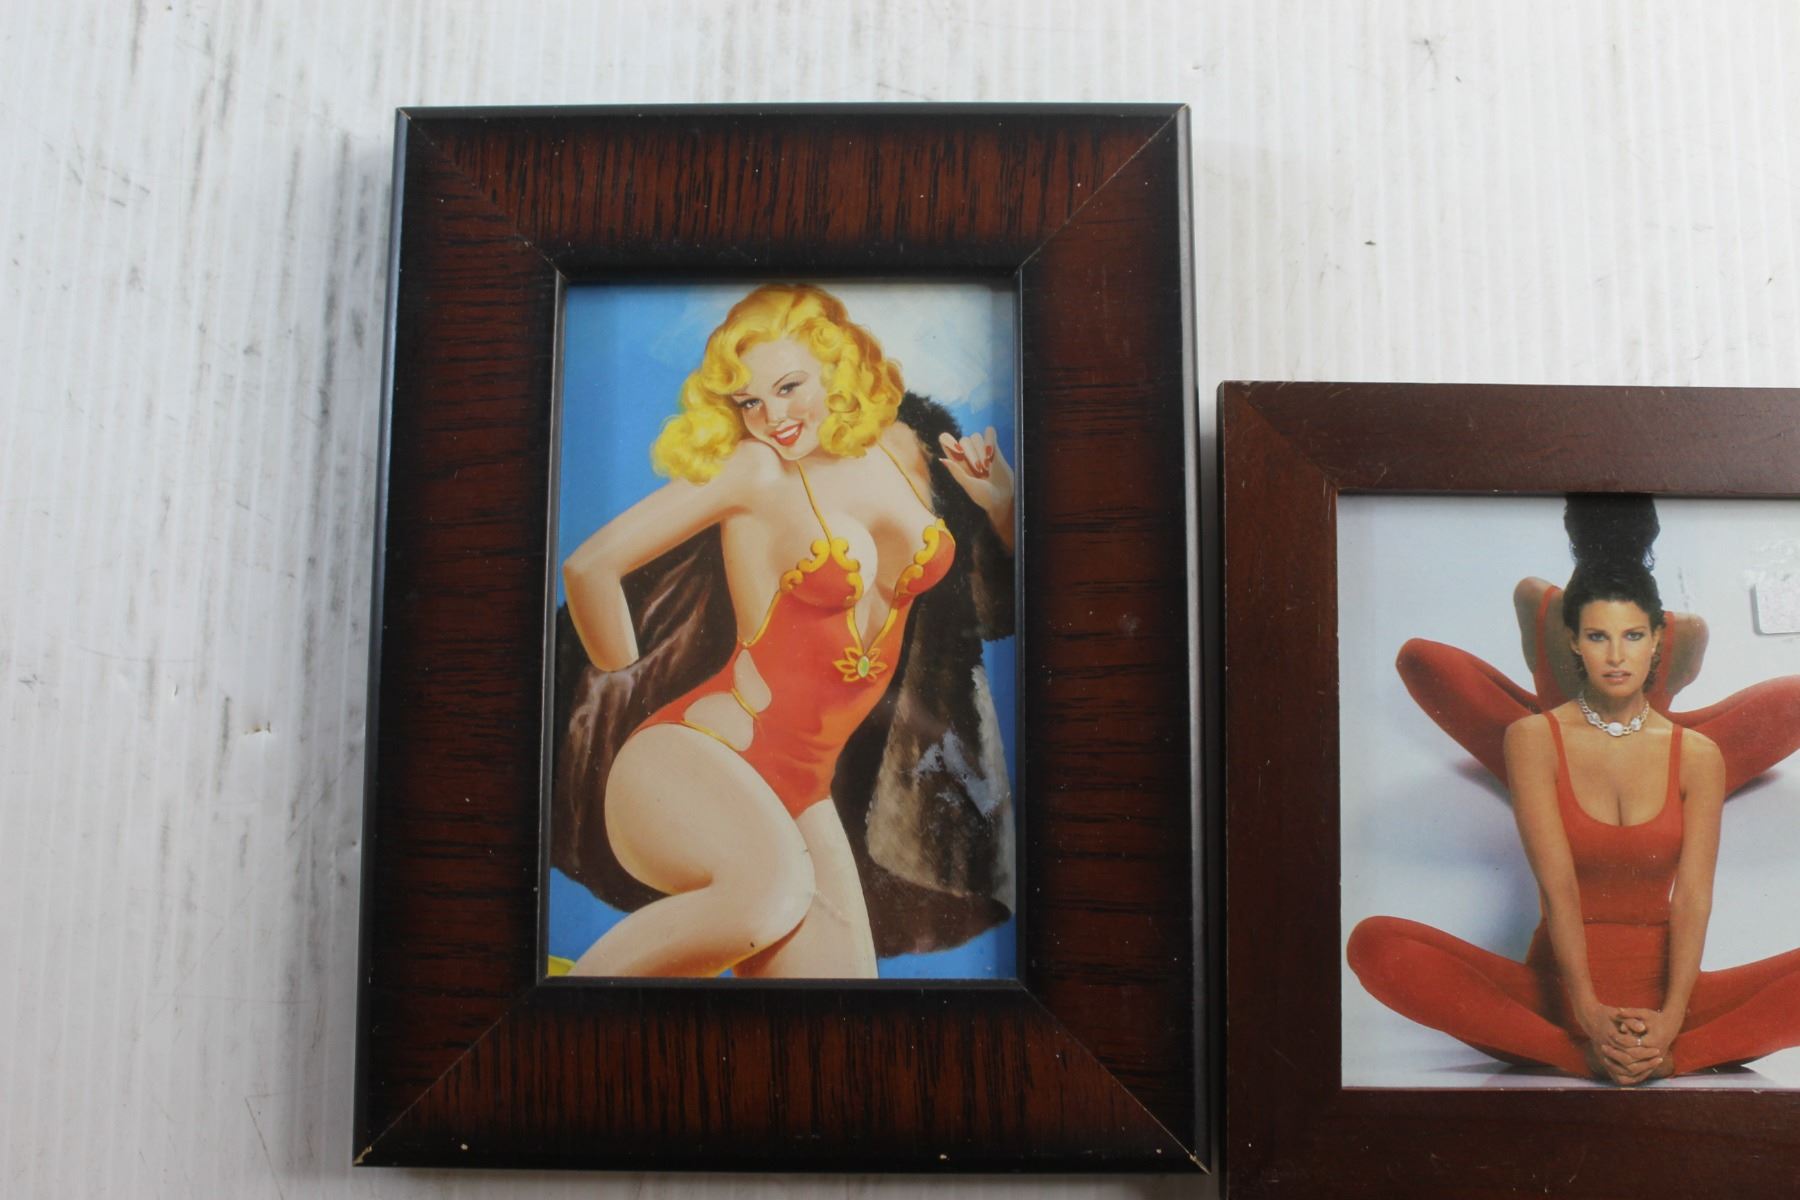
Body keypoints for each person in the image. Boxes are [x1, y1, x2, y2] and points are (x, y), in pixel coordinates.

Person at [556, 284, 1016, 979]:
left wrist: (1001, 510)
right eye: (749, 402)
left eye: (789, 387)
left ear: (838, 369)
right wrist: (619, 673)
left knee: (841, 996)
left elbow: (993, 615)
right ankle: (558, 1021)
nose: (772, 417)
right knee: (766, 894)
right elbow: (589, 568)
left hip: (802, 791)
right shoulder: (756, 470)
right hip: (698, 757)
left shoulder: (898, 451)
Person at [1349, 505, 1800, 1082]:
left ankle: (1671, 1060)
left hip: (1675, 1010)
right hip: (1556, 1006)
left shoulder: (1699, 754)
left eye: (1633, 636)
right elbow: (1558, 891)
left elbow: (1692, 900)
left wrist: (1669, 1032)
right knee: (1376, 943)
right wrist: (1586, 1023)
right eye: (1597, 637)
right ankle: (1578, 1058)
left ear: (1656, 641)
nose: (1615, 655)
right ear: (1575, 642)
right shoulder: (1530, 739)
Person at [1396, 497, 1800, 795]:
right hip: (1647, 780)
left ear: (1571, 531)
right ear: (1651, 533)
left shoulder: (1533, 598)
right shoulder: (1686, 630)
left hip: (1550, 765)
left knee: (1419, 658)